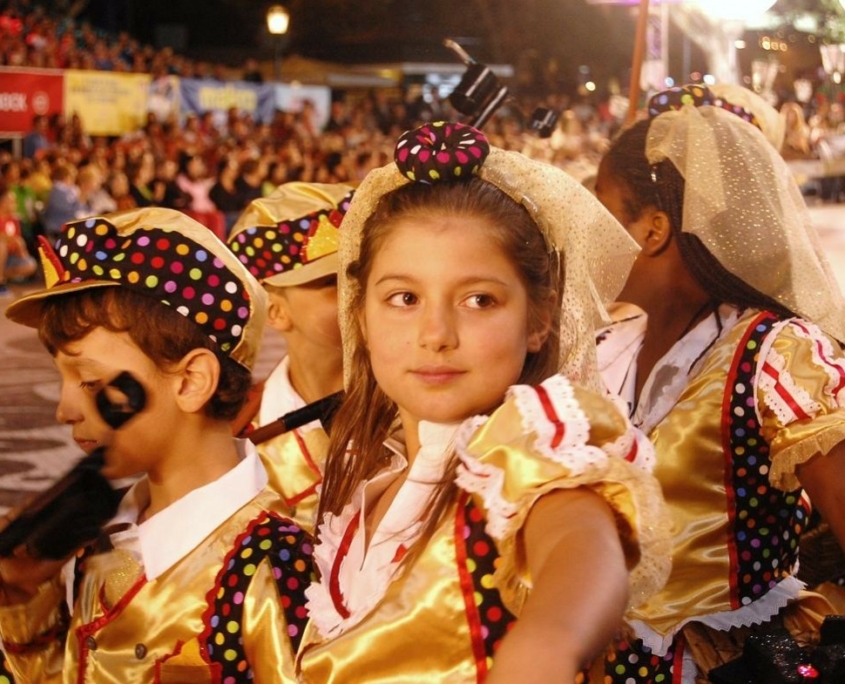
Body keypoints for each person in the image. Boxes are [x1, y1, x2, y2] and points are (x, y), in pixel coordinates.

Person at [296, 122, 672, 682]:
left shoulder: (523, 443)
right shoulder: (373, 474)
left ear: (539, 318)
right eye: (403, 298)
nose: (436, 333)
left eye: (478, 300)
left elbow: (578, 537)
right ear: (361, 316)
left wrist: (549, 643)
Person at [594, 84, 845, 681]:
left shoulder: (774, 354)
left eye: (598, 211)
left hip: (723, 662)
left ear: (652, 231)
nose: (582, 236)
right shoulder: (609, 348)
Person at [0, 208, 313, 682]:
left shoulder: (272, 564)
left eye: (88, 381)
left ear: (191, 380)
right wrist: (27, 604)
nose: (64, 410)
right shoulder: (104, 542)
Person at [227, 182, 354, 531]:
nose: (363, 293)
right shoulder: (237, 437)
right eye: (335, 283)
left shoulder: (421, 404)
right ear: (276, 311)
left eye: (366, 274)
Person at [0, 188, 37, 296]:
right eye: (10, 201)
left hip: (10, 257)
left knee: (30, 265)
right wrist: (10, 239)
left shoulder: (14, 219)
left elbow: (18, 240)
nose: (14, 204)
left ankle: (2, 276)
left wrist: (20, 248)